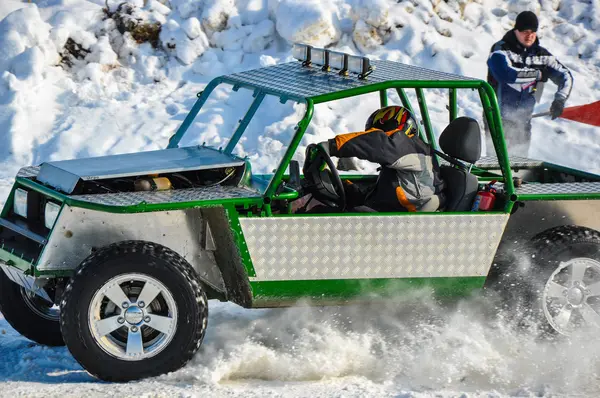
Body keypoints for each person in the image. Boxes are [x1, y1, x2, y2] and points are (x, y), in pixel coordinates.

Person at [313, 105, 445, 212]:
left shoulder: (414, 149)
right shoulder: (400, 162)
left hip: (410, 225)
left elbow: (380, 143)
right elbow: (377, 198)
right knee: (319, 212)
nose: (378, 134)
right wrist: (341, 187)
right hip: (394, 219)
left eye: (382, 131)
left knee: (356, 215)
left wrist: (332, 146)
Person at [487, 11, 573, 157]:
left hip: (524, 122)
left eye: (533, 31)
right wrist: (538, 74)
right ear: (516, 30)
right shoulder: (500, 50)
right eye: (525, 31)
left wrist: (560, 99)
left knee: (519, 167)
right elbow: (506, 74)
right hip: (497, 119)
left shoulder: (542, 56)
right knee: (497, 166)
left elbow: (566, 76)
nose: (530, 35)